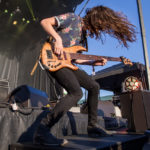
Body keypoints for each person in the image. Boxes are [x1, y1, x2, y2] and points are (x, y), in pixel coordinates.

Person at [33, 5, 136, 146]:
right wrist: (57, 38)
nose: (102, 28)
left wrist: (94, 63)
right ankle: (42, 131)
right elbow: (45, 22)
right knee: (76, 92)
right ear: (96, 18)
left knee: (94, 86)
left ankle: (92, 126)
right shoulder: (73, 18)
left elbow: (75, 58)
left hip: (67, 62)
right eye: (102, 24)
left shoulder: (83, 36)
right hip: (52, 58)